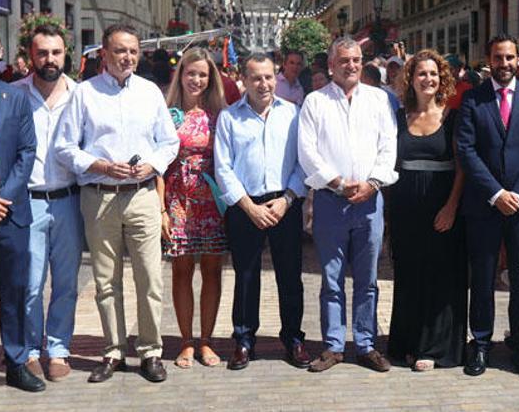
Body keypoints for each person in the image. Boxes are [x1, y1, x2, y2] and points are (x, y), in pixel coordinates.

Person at [54, 24, 179, 384]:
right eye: (120, 51)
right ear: (104, 55)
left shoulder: (150, 92)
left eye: (133, 52)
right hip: (100, 197)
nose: (127, 58)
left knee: (150, 278)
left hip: (141, 195)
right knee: (106, 281)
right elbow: (65, 147)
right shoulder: (85, 94)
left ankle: (151, 351)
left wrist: (153, 164)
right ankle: (113, 351)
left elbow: (168, 142)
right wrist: (101, 166)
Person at [297, 36, 398, 373]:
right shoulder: (315, 101)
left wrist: (373, 183)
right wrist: (338, 182)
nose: (351, 66)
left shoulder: (379, 100)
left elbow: (389, 146)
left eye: (356, 60)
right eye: (344, 61)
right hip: (331, 201)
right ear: (331, 65)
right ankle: (334, 345)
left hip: (370, 201)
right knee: (331, 277)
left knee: (368, 279)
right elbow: (307, 151)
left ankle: (366, 344)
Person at [456, 34, 519, 376]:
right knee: (482, 278)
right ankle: (480, 343)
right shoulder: (472, 100)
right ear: (489, 60)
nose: (505, 63)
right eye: (499, 57)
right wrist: (497, 194)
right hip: (484, 206)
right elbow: (466, 151)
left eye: (511, 58)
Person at [215, 53, 310, 371]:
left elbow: (302, 162)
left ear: (276, 76)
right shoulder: (229, 118)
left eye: (269, 76)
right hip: (246, 205)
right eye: (256, 77)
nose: (264, 83)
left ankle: (294, 338)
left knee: (290, 274)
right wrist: (248, 207)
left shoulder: (293, 114)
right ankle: (243, 340)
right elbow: (223, 169)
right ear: (244, 79)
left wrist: (288, 198)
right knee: (245, 275)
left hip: (285, 202)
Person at [13, 24, 84, 384]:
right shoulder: (14, 95)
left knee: (67, 281)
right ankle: (30, 350)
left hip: (70, 200)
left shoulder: (81, 94)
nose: (50, 60)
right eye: (42, 53)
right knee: (30, 283)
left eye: (56, 53)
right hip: (29, 202)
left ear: (65, 54)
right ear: (30, 55)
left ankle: (58, 347)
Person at [387, 50, 467, 372]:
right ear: (411, 78)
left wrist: (451, 206)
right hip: (405, 206)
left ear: (442, 78)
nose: (428, 79)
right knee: (409, 275)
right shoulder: (397, 117)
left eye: (433, 74)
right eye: (422, 73)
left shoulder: (453, 117)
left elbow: (462, 168)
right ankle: (408, 342)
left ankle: (434, 347)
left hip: (442, 205)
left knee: (441, 276)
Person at [156, 47, 228, 369]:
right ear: (180, 75)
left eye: (202, 74)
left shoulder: (220, 114)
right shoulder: (166, 112)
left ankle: (207, 341)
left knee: (212, 271)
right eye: (190, 73)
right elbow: (158, 163)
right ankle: (186, 341)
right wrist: (161, 209)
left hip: (212, 200)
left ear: (210, 78)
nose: (196, 79)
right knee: (181, 271)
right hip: (178, 199)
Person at [0, 23, 40, 391]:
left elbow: (27, 152)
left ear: (0, 51)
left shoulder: (15, 97)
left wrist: (0, 199)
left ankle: (17, 362)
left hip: (10, 211)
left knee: (15, 291)